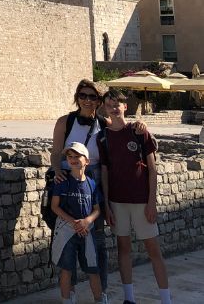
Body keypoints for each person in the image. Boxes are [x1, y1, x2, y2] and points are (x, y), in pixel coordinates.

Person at [50, 79, 148, 301]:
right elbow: (56, 152)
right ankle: (70, 293)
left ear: (99, 101)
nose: (87, 100)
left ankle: (100, 292)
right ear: (77, 98)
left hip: (93, 180)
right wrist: (57, 171)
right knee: (67, 238)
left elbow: (122, 131)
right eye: (83, 96)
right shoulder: (65, 122)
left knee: (97, 240)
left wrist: (139, 126)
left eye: (92, 97)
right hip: (66, 179)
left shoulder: (103, 123)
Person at [99, 89, 171, 304]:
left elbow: (152, 168)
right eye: (109, 104)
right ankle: (129, 298)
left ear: (125, 106)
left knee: (153, 250)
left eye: (117, 104)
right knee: (123, 248)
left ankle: (166, 299)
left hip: (141, 200)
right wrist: (106, 205)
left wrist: (151, 202)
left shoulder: (139, 132)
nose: (113, 107)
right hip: (117, 201)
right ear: (104, 108)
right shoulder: (102, 137)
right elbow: (104, 172)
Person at [51, 141, 104, 304]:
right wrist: (75, 223)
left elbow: (97, 209)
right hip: (67, 230)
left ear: (87, 161)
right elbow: (55, 206)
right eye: (70, 157)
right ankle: (67, 300)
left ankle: (99, 299)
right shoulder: (62, 182)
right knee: (67, 269)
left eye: (77, 156)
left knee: (93, 269)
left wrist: (86, 221)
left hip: (86, 230)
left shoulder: (91, 183)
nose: (73, 160)